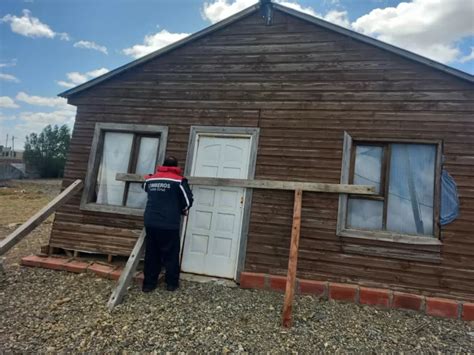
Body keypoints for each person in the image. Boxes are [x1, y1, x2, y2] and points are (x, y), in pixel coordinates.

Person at [142, 156, 193, 292]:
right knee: (171, 254)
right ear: (176, 166)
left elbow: (145, 187)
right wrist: (182, 209)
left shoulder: (151, 179)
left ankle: (148, 284)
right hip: (169, 223)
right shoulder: (179, 181)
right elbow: (188, 201)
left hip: (151, 222)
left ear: (162, 165)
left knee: (151, 253)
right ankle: (171, 284)